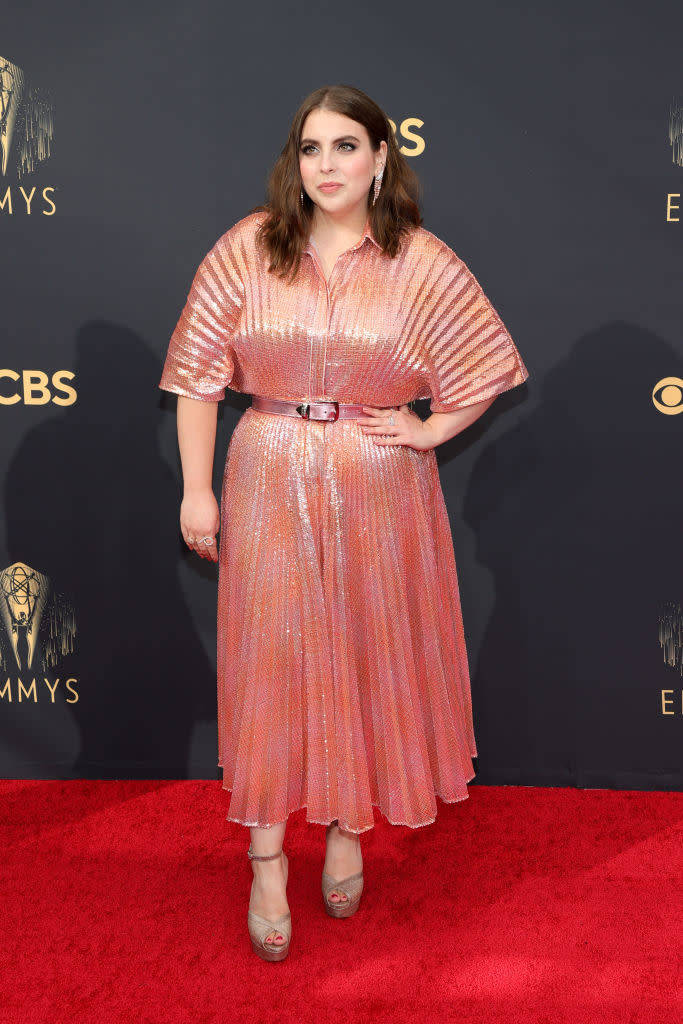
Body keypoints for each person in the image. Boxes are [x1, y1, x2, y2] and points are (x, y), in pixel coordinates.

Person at [158, 84, 529, 962]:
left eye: (344, 147)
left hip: (379, 483)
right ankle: (263, 858)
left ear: (380, 157)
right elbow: (196, 376)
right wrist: (196, 491)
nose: (326, 166)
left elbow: (484, 359)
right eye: (311, 148)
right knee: (272, 659)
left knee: (362, 651)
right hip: (267, 467)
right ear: (295, 161)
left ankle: (345, 830)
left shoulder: (421, 261)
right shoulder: (248, 248)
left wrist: (432, 425)